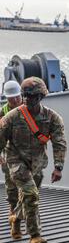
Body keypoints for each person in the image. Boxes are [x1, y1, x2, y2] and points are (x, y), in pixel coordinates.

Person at [0, 77, 67, 243]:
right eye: (26, 96)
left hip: (37, 163)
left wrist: (58, 167)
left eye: (34, 96)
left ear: (41, 96)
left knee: (29, 196)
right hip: (16, 162)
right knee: (31, 194)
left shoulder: (52, 118)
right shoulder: (11, 117)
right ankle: (35, 235)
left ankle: (16, 217)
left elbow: (59, 142)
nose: (29, 100)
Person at [1, 81, 23, 217]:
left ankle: (26, 210)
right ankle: (13, 208)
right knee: (11, 184)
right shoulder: (2, 112)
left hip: (28, 152)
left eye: (17, 97)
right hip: (9, 153)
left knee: (28, 184)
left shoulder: (29, 108)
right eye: (11, 98)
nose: (15, 100)